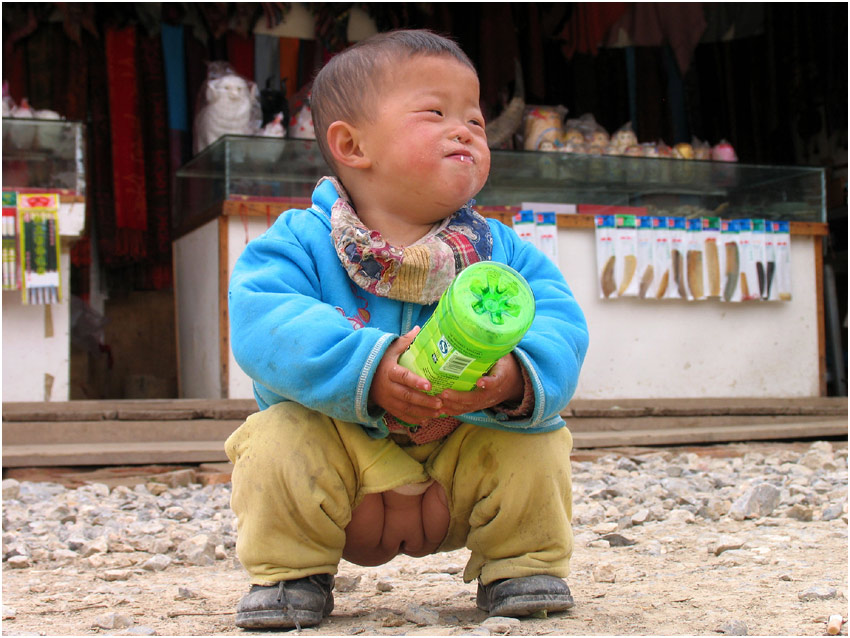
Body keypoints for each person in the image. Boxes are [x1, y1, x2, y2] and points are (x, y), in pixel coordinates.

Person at [225, 29, 589, 630]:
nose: (467, 129)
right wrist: (367, 369)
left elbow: (558, 319)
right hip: (346, 476)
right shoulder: (301, 242)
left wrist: (516, 376)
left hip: (458, 462)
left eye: (475, 116)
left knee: (539, 440)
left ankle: (522, 562)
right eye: (436, 112)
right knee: (275, 439)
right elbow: (267, 319)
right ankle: (291, 572)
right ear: (351, 144)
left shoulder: (499, 252)